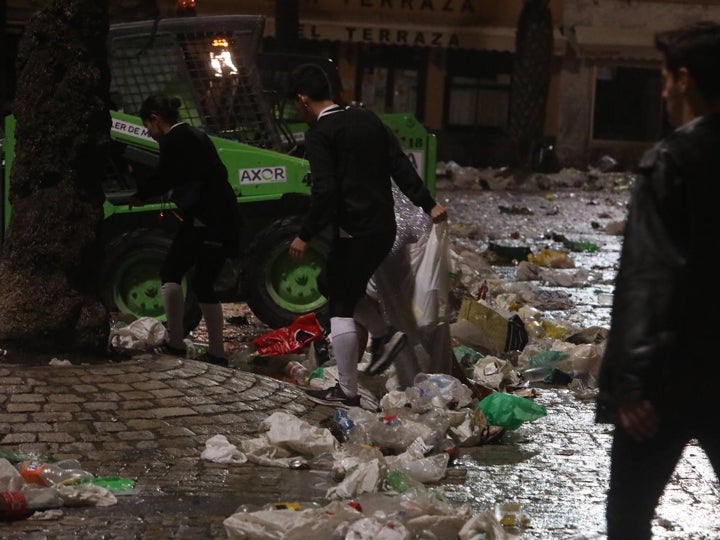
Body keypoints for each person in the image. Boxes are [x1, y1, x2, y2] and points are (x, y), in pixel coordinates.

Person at [595, 21, 720, 539]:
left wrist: (629, 384)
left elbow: (649, 276)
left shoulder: (671, 161)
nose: (663, 90)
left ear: (685, 79)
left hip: (670, 378)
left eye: (666, 78)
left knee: (629, 516)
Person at [286, 63, 447, 407]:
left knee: (340, 304)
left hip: (354, 231)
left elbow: (325, 191)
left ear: (302, 100)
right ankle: (386, 335)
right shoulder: (367, 119)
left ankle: (347, 391)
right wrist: (428, 204)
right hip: (381, 228)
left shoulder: (319, 134)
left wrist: (305, 233)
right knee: (332, 283)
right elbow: (400, 165)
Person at [129, 95, 241, 366]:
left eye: (147, 127)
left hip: (208, 220)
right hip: (219, 218)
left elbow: (164, 175)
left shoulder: (175, 140)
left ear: (155, 119)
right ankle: (213, 351)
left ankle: (179, 343)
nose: (150, 134)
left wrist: (140, 195)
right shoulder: (196, 135)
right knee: (198, 281)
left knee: (175, 273)